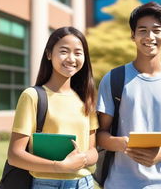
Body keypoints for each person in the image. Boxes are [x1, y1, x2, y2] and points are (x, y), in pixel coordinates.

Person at [96, 2, 161, 189]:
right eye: (142, 30)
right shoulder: (113, 79)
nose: (149, 37)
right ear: (133, 36)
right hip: (121, 183)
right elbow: (100, 135)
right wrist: (123, 144)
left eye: (156, 30)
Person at [8, 26, 98, 189]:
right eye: (64, 51)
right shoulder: (32, 96)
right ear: (49, 54)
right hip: (47, 184)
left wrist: (82, 158)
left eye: (78, 53)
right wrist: (60, 166)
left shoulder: (87, 99)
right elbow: (15, 155)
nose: (71, 59)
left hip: (85, 183)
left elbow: (93, 151)